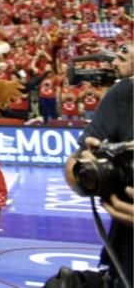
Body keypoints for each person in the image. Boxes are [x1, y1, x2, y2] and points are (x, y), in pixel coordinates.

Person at [64, 42, 133, 284]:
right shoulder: (123, 93)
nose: (114, 62)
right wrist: (87, 171)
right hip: (126, 253)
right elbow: (76, 161)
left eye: (124, 54)